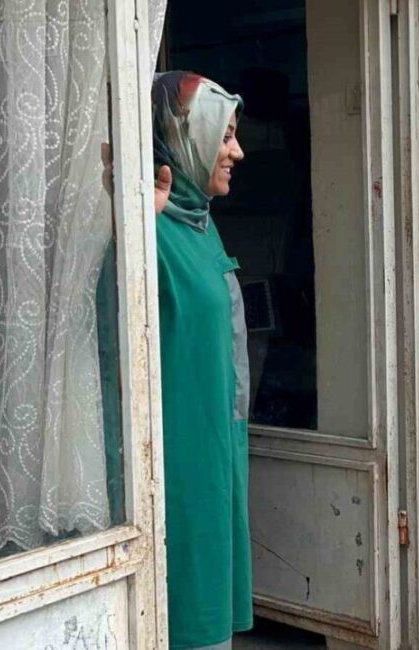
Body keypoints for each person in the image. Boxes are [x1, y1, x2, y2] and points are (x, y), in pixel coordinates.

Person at [151, 71, 252, 649]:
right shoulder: (150, 232)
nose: (236, 150)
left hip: (218, 456)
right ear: (185, 139)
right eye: (225, 134)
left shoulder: (198, 226)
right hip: (178, 472)